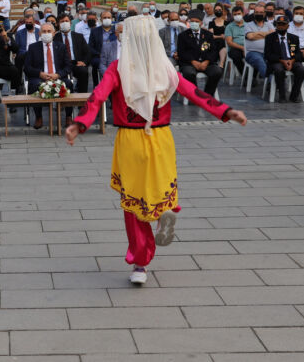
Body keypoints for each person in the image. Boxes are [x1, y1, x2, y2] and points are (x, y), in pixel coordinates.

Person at [66, 16, 247, 284]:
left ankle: (140, 264)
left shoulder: (117, 69)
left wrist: (79, 124)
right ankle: (165, 212)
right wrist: (226, 111)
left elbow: (98, 97)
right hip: (161, 138)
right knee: (162, 188)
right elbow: (195, 93)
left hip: (130, 141)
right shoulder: (166, 69)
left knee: (133, 203)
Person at [24, 22, 72, 129]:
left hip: (57, 77)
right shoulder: (32, 47)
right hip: (40, 77)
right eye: (44, 31)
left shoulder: (61, 47)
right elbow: (27, 68)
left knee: (68, 84)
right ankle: (38, 117)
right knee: (34, 84)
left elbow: (68, 67)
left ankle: (68, 116)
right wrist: (40, 74)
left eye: (49, 31)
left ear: (54, 33)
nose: (46, 33)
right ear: (40, 33)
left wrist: (58, 75)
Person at [178, 11, 223, 96]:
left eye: (196, 21)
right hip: (189, 63)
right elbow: (182, 52)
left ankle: (207, 95)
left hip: (207, 63)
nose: (194, 23)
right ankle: (194, 96)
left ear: (201, 23)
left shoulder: (208, 35)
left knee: (217, 71)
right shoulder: (183, 36)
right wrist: (193, 61)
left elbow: (213, 51)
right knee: (189, 73)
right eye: (192, 21)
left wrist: (206, 61)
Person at [264, 15, 304, 103]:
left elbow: (297, 53)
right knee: (279, 70)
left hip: (291, 60)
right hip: (277, 61)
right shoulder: (270, 38)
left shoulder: (293, 38)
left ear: (288, 26)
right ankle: (282, 96)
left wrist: (292, 60)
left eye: (283, 24)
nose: (281, 26)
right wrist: (281, 60)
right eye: (279, 24)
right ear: (276, 25)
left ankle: (294, 96)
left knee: (301, 70)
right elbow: (268, 55)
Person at [243, 9, 274, 80]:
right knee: (259, 61)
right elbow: (250, 36)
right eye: (256, 12)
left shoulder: (269, 24)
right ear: (254, 14)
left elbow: (273, 37)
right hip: (252, 52)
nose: (259, 14)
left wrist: (256, 33)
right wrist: (267, 33)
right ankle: (272, 82)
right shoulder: (248, 25)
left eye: (261, 12)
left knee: (277, 61)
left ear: (264, 14)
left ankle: (273, 82)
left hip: (268, 52)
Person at [88, 11, 116, 86]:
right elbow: (90, 47)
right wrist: (99, 54)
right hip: (99, 55)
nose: (107, 19)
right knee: (96, 63)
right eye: (104, 17)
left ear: (112, 19)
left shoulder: (116, 30)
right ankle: (97, 86)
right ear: (101, 19)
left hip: (114, 56)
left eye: (108, 17)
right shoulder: (94, 31)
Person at [224, 6, 246, 75]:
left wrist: (246, 49)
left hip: (248, 48)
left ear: (243, 14)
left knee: (256, 56)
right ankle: (246, 76)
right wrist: (242, 48)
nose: (237, 16)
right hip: (235, 48)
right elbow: (229, 42)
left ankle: (252, 76)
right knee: (235, 55)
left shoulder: (248, 25)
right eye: (235, 14)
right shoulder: (229, 27)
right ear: (232, 15)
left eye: (239, 14)